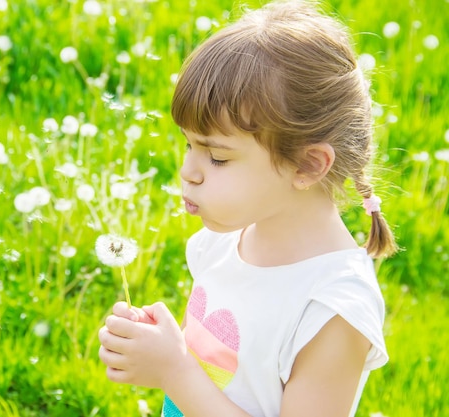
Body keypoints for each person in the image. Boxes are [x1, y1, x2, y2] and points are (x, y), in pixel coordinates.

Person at [98, 0, 398, 416]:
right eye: (189, 145)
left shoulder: (331, 310)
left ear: (307, 165)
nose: (188, 171)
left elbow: (189, 380)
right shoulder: (221, 245)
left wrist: (174, 371)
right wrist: (162, 346)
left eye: (216, 157)